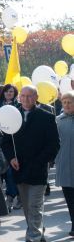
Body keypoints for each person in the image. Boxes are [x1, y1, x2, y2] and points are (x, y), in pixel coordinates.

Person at [2, 85, 60, 242]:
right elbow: (5, 142)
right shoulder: (13, 115)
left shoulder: (46, 117)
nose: (26, 99)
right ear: (19, 97)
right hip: (19, 169)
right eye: (23, 96)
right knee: (28, 209)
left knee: (34, 207)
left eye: (30, 96)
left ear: (36, 97)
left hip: (38, 170)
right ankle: (38, 232)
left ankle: (32, 238)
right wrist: (11, 157)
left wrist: (40, 161)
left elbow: (54, 145)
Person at [55, 91, 74, 237]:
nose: (67, 105)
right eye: (64, 102)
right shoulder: (58, 120)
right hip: (65, 164)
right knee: (69, 198)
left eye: (70, 102)